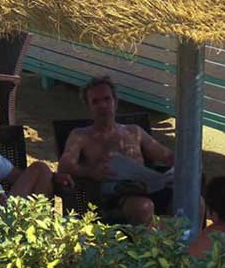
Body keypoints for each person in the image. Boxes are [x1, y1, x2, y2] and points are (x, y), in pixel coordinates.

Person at [58, 76, 174, 226]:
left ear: (115, 102)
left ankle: (192, 247)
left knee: (195, 202)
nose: (103, 105)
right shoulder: (80, 136)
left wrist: (182, 165)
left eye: (107, 99)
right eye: (96, 102)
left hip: (149, 188)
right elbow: (64, 166)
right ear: (88, 107)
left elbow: (167, 156)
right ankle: (153, 245)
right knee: (143, 207)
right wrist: (90, 171)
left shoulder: (134, 132)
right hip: (115, 197)